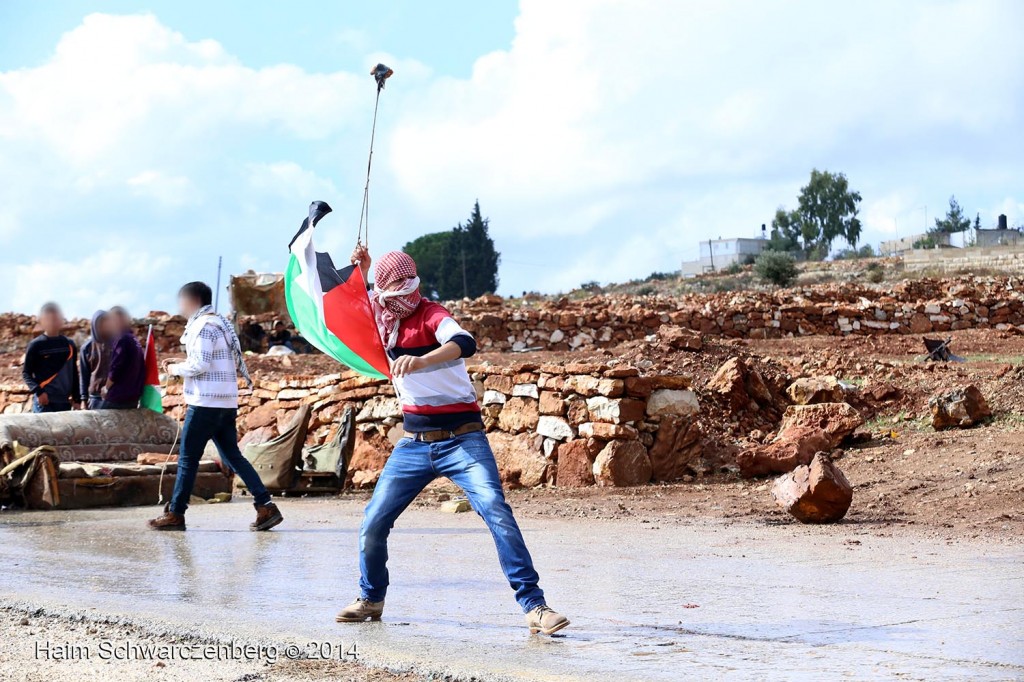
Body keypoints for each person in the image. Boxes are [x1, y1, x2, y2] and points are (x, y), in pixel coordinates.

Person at [334, 248, 569, 636]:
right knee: (373, 521)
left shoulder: (431, 314)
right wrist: (363, 267)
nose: (399, 296)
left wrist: (423, 361)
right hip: (413, 444)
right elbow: (353, 305)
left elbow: (463, 341)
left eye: (403, 288)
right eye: (390, 290)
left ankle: (535, 606)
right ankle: (371, 599)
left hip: (463, 440)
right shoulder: (383, 318)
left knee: (495, 509)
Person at [147, 281, 283, 532]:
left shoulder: (202, 326)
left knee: (188, 459)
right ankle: (266, 505)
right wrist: (181, 363)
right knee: (233, 455)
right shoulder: (220, 324)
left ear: (193, 301)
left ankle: (176, 513)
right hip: (225, 401)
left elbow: (200, 365)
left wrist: (174, 369)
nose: (180, 307)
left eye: (183, 301)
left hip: (205, 402)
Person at [23, 302, 80, 413]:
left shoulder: (69, 344)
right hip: (45, 403)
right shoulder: (36, 345)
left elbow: (74, 374)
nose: (53, 322)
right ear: (42, 321)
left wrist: (77, 399)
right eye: (49, 319)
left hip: (64, 403)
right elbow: (26, 373)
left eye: (56, 318)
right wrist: (39, 392)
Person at [100, 307, 146, 409]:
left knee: (98, 423)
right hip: (132, 396)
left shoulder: (122, 339)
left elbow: (116, 368)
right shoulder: (133, 339)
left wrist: (106, 388)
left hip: (119, 397)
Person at [79, 310, 114, 409]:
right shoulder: (86, 348)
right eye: (100, 323)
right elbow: (83, 376)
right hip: (95, 398)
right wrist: (83, 400)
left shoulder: (117, 345)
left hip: (114, 397)